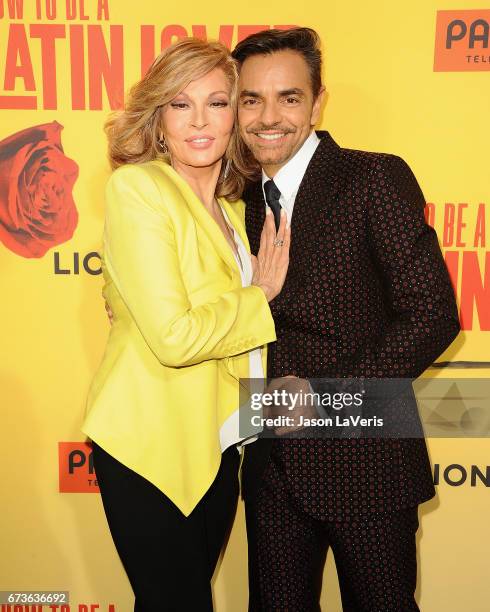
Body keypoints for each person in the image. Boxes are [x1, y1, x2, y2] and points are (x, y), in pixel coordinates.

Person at [231, 28, 461, 611]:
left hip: (369, 460)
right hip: (271, 464)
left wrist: (328, 396)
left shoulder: (372, 178)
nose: (267, 117)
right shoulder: (233, 199)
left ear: (317, 100)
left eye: (288, 97)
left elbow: (433, 314)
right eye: (251, 99)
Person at [82, 38, 290, 612]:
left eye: (217, 103)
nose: (200, 121)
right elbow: (174, 338)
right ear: (159, 120)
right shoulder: (139, 189)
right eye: (180, 104)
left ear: (236, 117)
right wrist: (259, 296)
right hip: (147, 441)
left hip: (217, 442)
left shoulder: (233, 209)